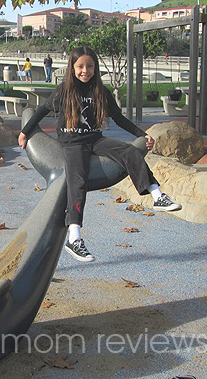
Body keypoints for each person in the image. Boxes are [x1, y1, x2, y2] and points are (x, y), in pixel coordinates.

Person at [18, 46, 181, 263]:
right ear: (72, 68)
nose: (85, 70)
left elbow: (119, 119)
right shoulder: (63, 90)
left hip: (95, 140)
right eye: (80, 66)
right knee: (77, 181)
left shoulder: (101, 93)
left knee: (130, 151)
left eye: (90, 66)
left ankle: (157, 194)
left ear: (95, 68)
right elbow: (41, 111)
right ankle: (74, 238)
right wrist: (24, 132)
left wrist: (142, 134)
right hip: (72, 144)